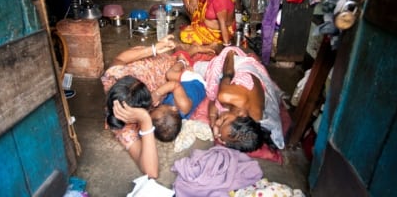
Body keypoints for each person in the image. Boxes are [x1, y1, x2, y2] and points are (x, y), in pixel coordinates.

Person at [102, 35, 216, 178]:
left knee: (176, 51)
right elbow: (152, 172)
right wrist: (145, 120)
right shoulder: (125, 128)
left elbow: (120, 60)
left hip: (163, 61)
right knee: (181, 56)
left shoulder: (114, 77)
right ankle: (186, 53)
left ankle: (184, 52)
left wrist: (153, 49)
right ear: (148, 108)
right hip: (176, 69)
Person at [203, 46, 288, 152]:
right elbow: (228, 73)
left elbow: (215, 107)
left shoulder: (255, 119)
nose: (218, 121)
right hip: (237, 64)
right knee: (204, 73)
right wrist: (230, 53)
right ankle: (219, 48)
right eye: (223, 121)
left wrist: (213, 123)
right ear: (242, 115)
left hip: (255, 73)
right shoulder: (226, 96)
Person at [149, 53, 207, 142]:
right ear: (174, 108)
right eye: (158, 108)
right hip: (195, 82)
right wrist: (157, 93)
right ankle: (182, 62)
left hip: (187, 86)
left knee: (169, 76)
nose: (157, 106)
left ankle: (182, 62)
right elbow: (174, 85)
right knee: (170, 74)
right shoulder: (184, 106)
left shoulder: (172, 113)